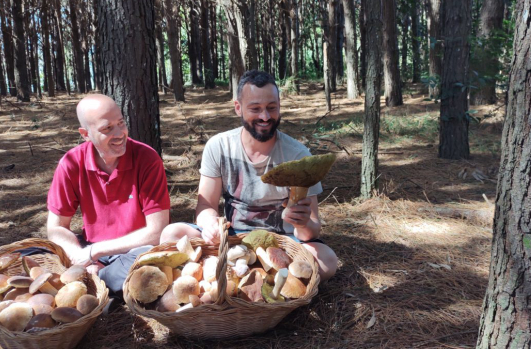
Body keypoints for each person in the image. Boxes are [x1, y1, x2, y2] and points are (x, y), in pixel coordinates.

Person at [161, 70, 337, 281]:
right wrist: (210, 225)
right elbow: (205, 205)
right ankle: (257, 276)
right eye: (255, 109)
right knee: (171, 235)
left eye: (272, 108)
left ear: (279, 106)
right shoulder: (219, 146)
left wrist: (302, 223)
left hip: (283, 243)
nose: (265, 117)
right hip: (231, 238)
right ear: (238, 108)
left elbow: (313, 229)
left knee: (327, 261)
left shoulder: (298, 155)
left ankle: (242, 275)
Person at [46, 94, 170, 295]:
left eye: (121, 123)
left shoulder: (147, 158)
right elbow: (56, 228)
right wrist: (82, 258)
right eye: (107, 129)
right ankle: (101, 283)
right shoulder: (71, 163)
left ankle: (97, 284)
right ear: (85, 134)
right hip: (91, 252)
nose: (120, 133)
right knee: (32, 254)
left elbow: (157, 231)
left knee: (151, 263)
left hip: (136, 251)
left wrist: (96, 252)